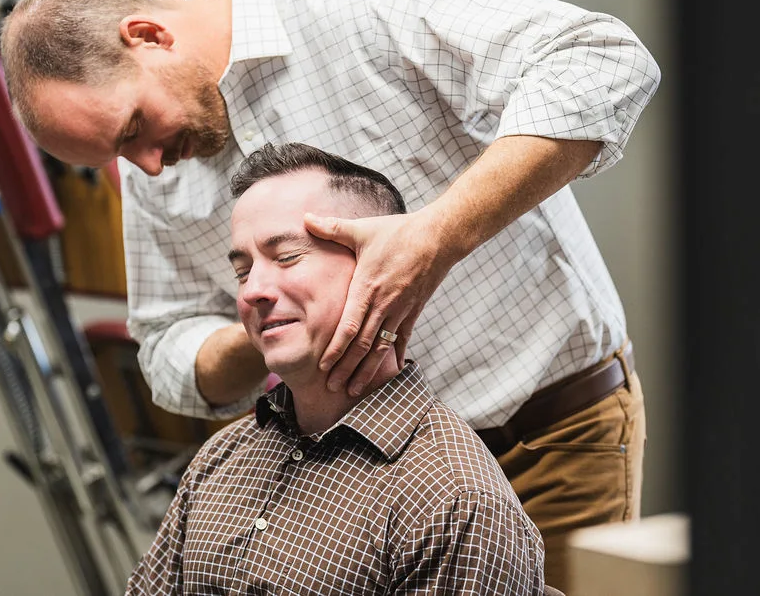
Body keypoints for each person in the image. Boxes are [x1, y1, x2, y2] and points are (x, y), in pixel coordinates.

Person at [0, 0, 659, 589]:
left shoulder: (362, 5)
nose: (145, 167)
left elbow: (604, 61)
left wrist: (438, 234)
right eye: (119, 156)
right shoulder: (159, 163)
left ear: (146, 35)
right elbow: (167, 346)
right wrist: (263, 321)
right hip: (348, 479)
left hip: (542, 435)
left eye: (135, 128)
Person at [125, 141, 547, 595]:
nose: (253, 292)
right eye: (243, 272)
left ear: (381, 267)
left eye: (286, 256)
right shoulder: (219, 459)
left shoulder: (454, 502)